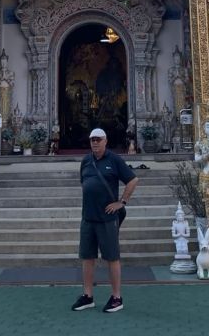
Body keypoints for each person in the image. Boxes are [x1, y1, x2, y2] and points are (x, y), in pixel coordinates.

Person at [72, 128, 138, 314]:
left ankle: (116, 297)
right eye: (92, 139)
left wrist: (121, 202)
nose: (95, 142)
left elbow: (133, 180)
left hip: (107, 218)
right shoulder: (86, 161)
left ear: (105, 141)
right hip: (88, 217)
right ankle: (88, 295)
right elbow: (84, 183)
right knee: (87, 257)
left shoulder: (114, 160)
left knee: (112, 257)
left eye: (98, 139)